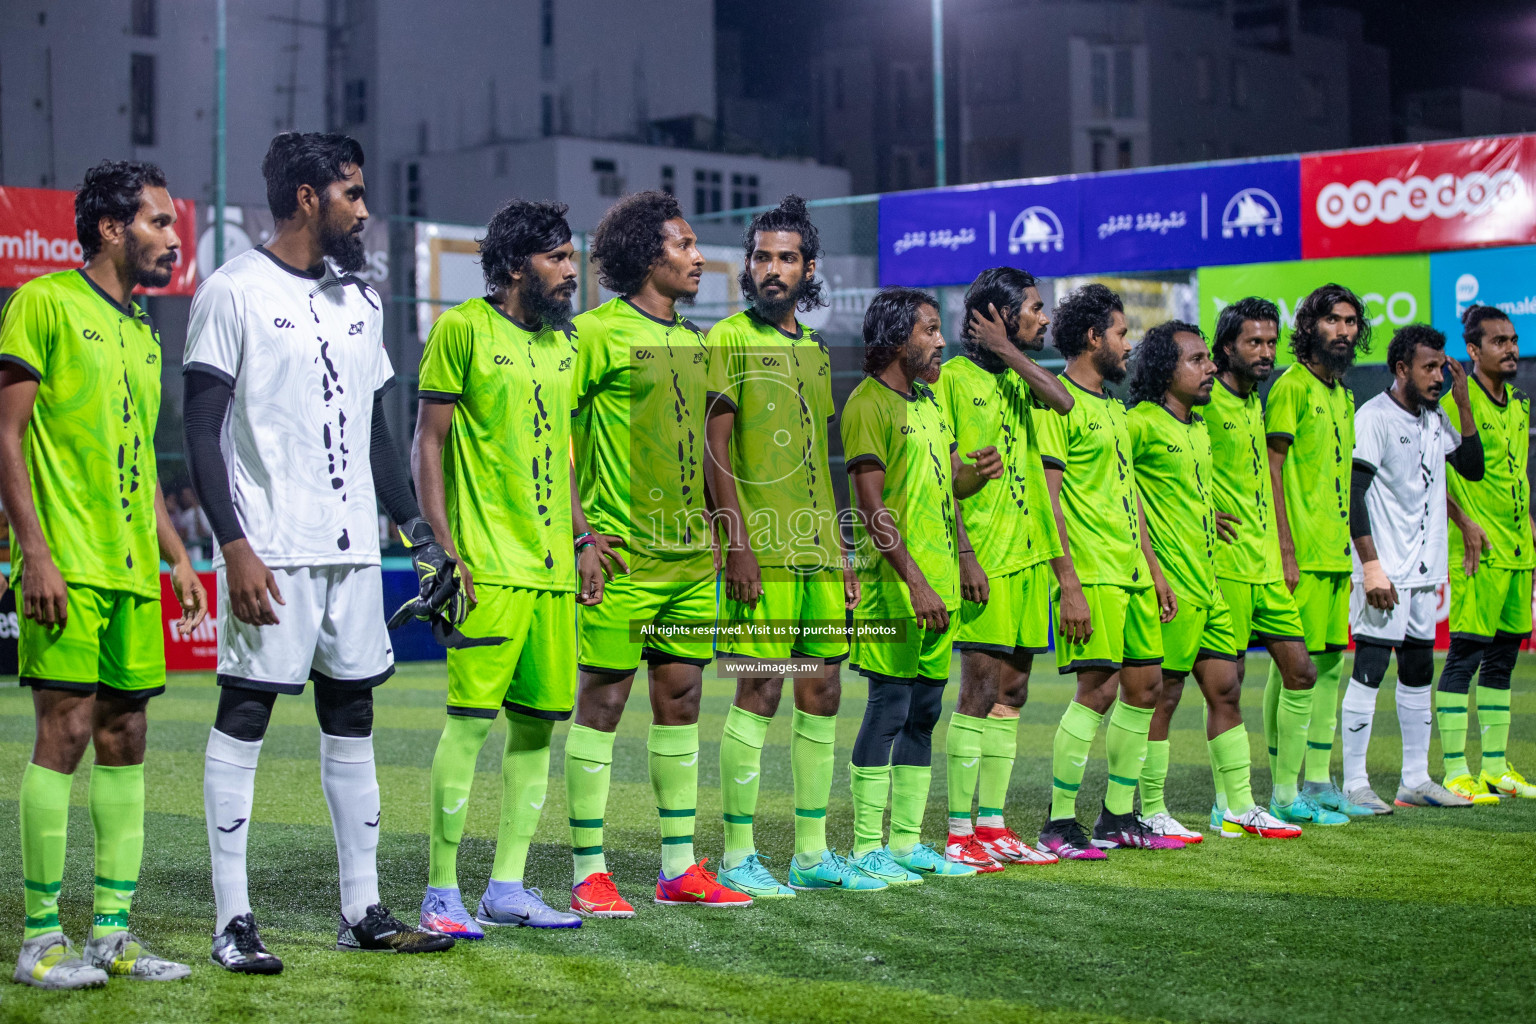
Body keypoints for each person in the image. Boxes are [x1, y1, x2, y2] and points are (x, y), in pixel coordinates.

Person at [186, 132, 456, 972]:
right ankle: (234, 920)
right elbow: (200, 430)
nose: (365, 208)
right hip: (272, 550)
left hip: (350, 556)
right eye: (351, 193)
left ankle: (361, 908)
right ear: (307, 197)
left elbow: (381, 436)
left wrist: (419, 535)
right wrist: (233, 545)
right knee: (246, 712)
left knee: (355, 716)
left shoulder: (362, 301)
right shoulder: (231, 290)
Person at [0, 159, 207, 988]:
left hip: (129, 571)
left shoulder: (142, 333)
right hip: (67, 564)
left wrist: (176, 552)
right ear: (113, 228)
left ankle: (111, 932)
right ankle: (39, 939)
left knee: (127, 736)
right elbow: (6, 438)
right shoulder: (43, 304)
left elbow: (138, 460)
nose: (172, 239)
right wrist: (35, 553)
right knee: (67, 732)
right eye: (160, 223)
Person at [414, 199, 608, 936]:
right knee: (467, 727)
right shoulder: (462, 328)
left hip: (555, 571)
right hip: (486, 569)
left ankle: (507, 886)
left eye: (571, 257)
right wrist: (440, 544)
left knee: (536, 732)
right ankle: (440, 893)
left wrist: (584, 541)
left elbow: (559, 453)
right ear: (514, 265)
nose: (570, 271)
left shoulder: (565, 348)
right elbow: (428, 441)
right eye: (558, 257)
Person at [566, 190, 750, 913]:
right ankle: (589, 870)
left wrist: (732, 538)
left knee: (682, 702)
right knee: (603, 703)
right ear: (648, 254)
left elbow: (716, 454)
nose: (699, 256)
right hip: (619, 560)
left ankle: (678, 868)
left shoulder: (698, 345)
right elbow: (559, 437)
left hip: (686, 562)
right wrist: (580, 533)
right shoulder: (595, 335)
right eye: (684, 244)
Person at [703, 196, 883, 896]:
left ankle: (810, 853)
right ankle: (738, 856)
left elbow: (815, 461)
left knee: (823, 687)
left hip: (814, 550)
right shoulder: (726, 340)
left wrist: (840, 552)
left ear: (809, 268)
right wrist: (737, 544)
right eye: (760, 257)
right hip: (763, 551)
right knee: (758, 688)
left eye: (785, 258)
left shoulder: (812, 349)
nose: (771, 269)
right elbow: (714, 450)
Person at [841, 287, 1000, 881]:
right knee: (888, 708)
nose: (941, 341)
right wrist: (915, 583)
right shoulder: (867, 404)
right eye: (929, 330)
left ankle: (905, 844)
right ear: (896, 338)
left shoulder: (931, 402)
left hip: (940, 587)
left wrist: (972, 485)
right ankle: (865, 849)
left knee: (925, 712)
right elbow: (872, 507)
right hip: (896, 589)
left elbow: (945, 488)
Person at [1125, 322, 1301, 841]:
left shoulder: (1199, 427)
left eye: (1208, 359)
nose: (1209, 369)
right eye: (1198, 360)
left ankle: (1239, 807)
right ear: (1165, 370)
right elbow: (1123, 494)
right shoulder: (1139, 424)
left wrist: (1207, 513)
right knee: (1166, 696)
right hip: (1172, 587)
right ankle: (1151, 809)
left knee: (1226, 692)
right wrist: (1152, 570)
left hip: (1211, 583)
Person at [1035, 284, 1184, 858]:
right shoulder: (1059, 405)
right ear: (1094, 338)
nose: (1128, 345)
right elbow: (1051, 503)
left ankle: (1118, 817)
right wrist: (1067, 581)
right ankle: (1059, 821)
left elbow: (1131, 497)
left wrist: (1155, 570)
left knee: (1143, 689)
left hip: (1133, 572)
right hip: (1092, 571)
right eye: (1121, 334)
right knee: (1095, 691)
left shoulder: (1115, 410)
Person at [931, 268, 1072, 869]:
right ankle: (959, 832)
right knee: (979, 692)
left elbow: (1063, 401)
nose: (1045, 318)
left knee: (1012, 693)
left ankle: (991, 826)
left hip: (1029, 556)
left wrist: (1009, 352)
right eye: (1035, 308)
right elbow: (941, 478)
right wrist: (964, 552)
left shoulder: (1019, 378)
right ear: (997, 315)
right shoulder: (953, 380)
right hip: (984, 557)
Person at [1206, 299, 1341, 828]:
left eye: (1269, 342)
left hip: (1265, 564)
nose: (1265, 352)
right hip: (1226, 565)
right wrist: (1200, 511)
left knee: (1302, 670)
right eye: (1253, 343)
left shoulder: (1255, 401)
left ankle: (1285, 794)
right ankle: (1226, 802)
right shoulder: (1205, 399)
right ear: (1226, 348)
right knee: (1228, 683)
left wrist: (1283, 547)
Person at [1343, 324, 1484, 809]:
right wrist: (1372, 567)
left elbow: (1471, 466)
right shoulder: (1374, 418)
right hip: (1385, 571)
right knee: (1370, 668)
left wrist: (1464, 403)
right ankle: (1355, 783)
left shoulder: (1436, 416)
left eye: (1442, 367)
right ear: (1401, 368)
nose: (1439, 376)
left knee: (1419, 670)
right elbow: (1353, 496)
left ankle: (1415, 779)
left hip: (1424, 572)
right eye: (1429, 367)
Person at [1264, 285, 1370, 820]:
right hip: (1299, 554)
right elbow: (1274, 469)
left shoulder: (1342, 393)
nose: (1344, 331)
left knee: (1329, 667)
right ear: (1311, 326)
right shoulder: (1292, 387)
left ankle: (1318, 781)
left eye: (1351, 322)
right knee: (1292, 669)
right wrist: (1283, 546)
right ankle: (1284, 789)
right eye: (1333, 320)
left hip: (1334, 554)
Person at [1438, 306, 1536, 800]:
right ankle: (1456, 770)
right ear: (1473, 351)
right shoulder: (1457, 402)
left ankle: (1495, 767)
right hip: (1480, 553)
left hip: (1519, 553)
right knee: (1464, 658)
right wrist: (1463, 522)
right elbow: (1431, 475)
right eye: (1499, 341)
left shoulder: (1518, 404)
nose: (1511, 349)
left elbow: (1515, 475)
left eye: (1513, 340)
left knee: (1502, 663)